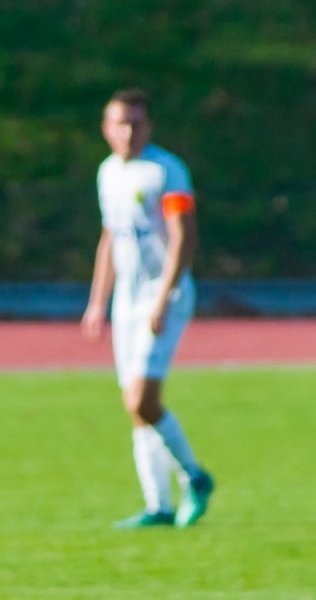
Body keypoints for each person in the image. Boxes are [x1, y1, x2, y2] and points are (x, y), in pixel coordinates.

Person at [81, 88, 215, 528]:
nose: (129, 132)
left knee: (144, 398)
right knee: (133, 404)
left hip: (165, 298)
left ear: (149, 127)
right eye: (121, 123)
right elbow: (110, 237)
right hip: (127, 303)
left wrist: (163, 296)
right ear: (106, 129)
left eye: (137, 123)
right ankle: (158, 505)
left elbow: (184, 237)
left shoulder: (166, 170)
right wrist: (98, 300)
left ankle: (194, 476)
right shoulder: (107, 173)